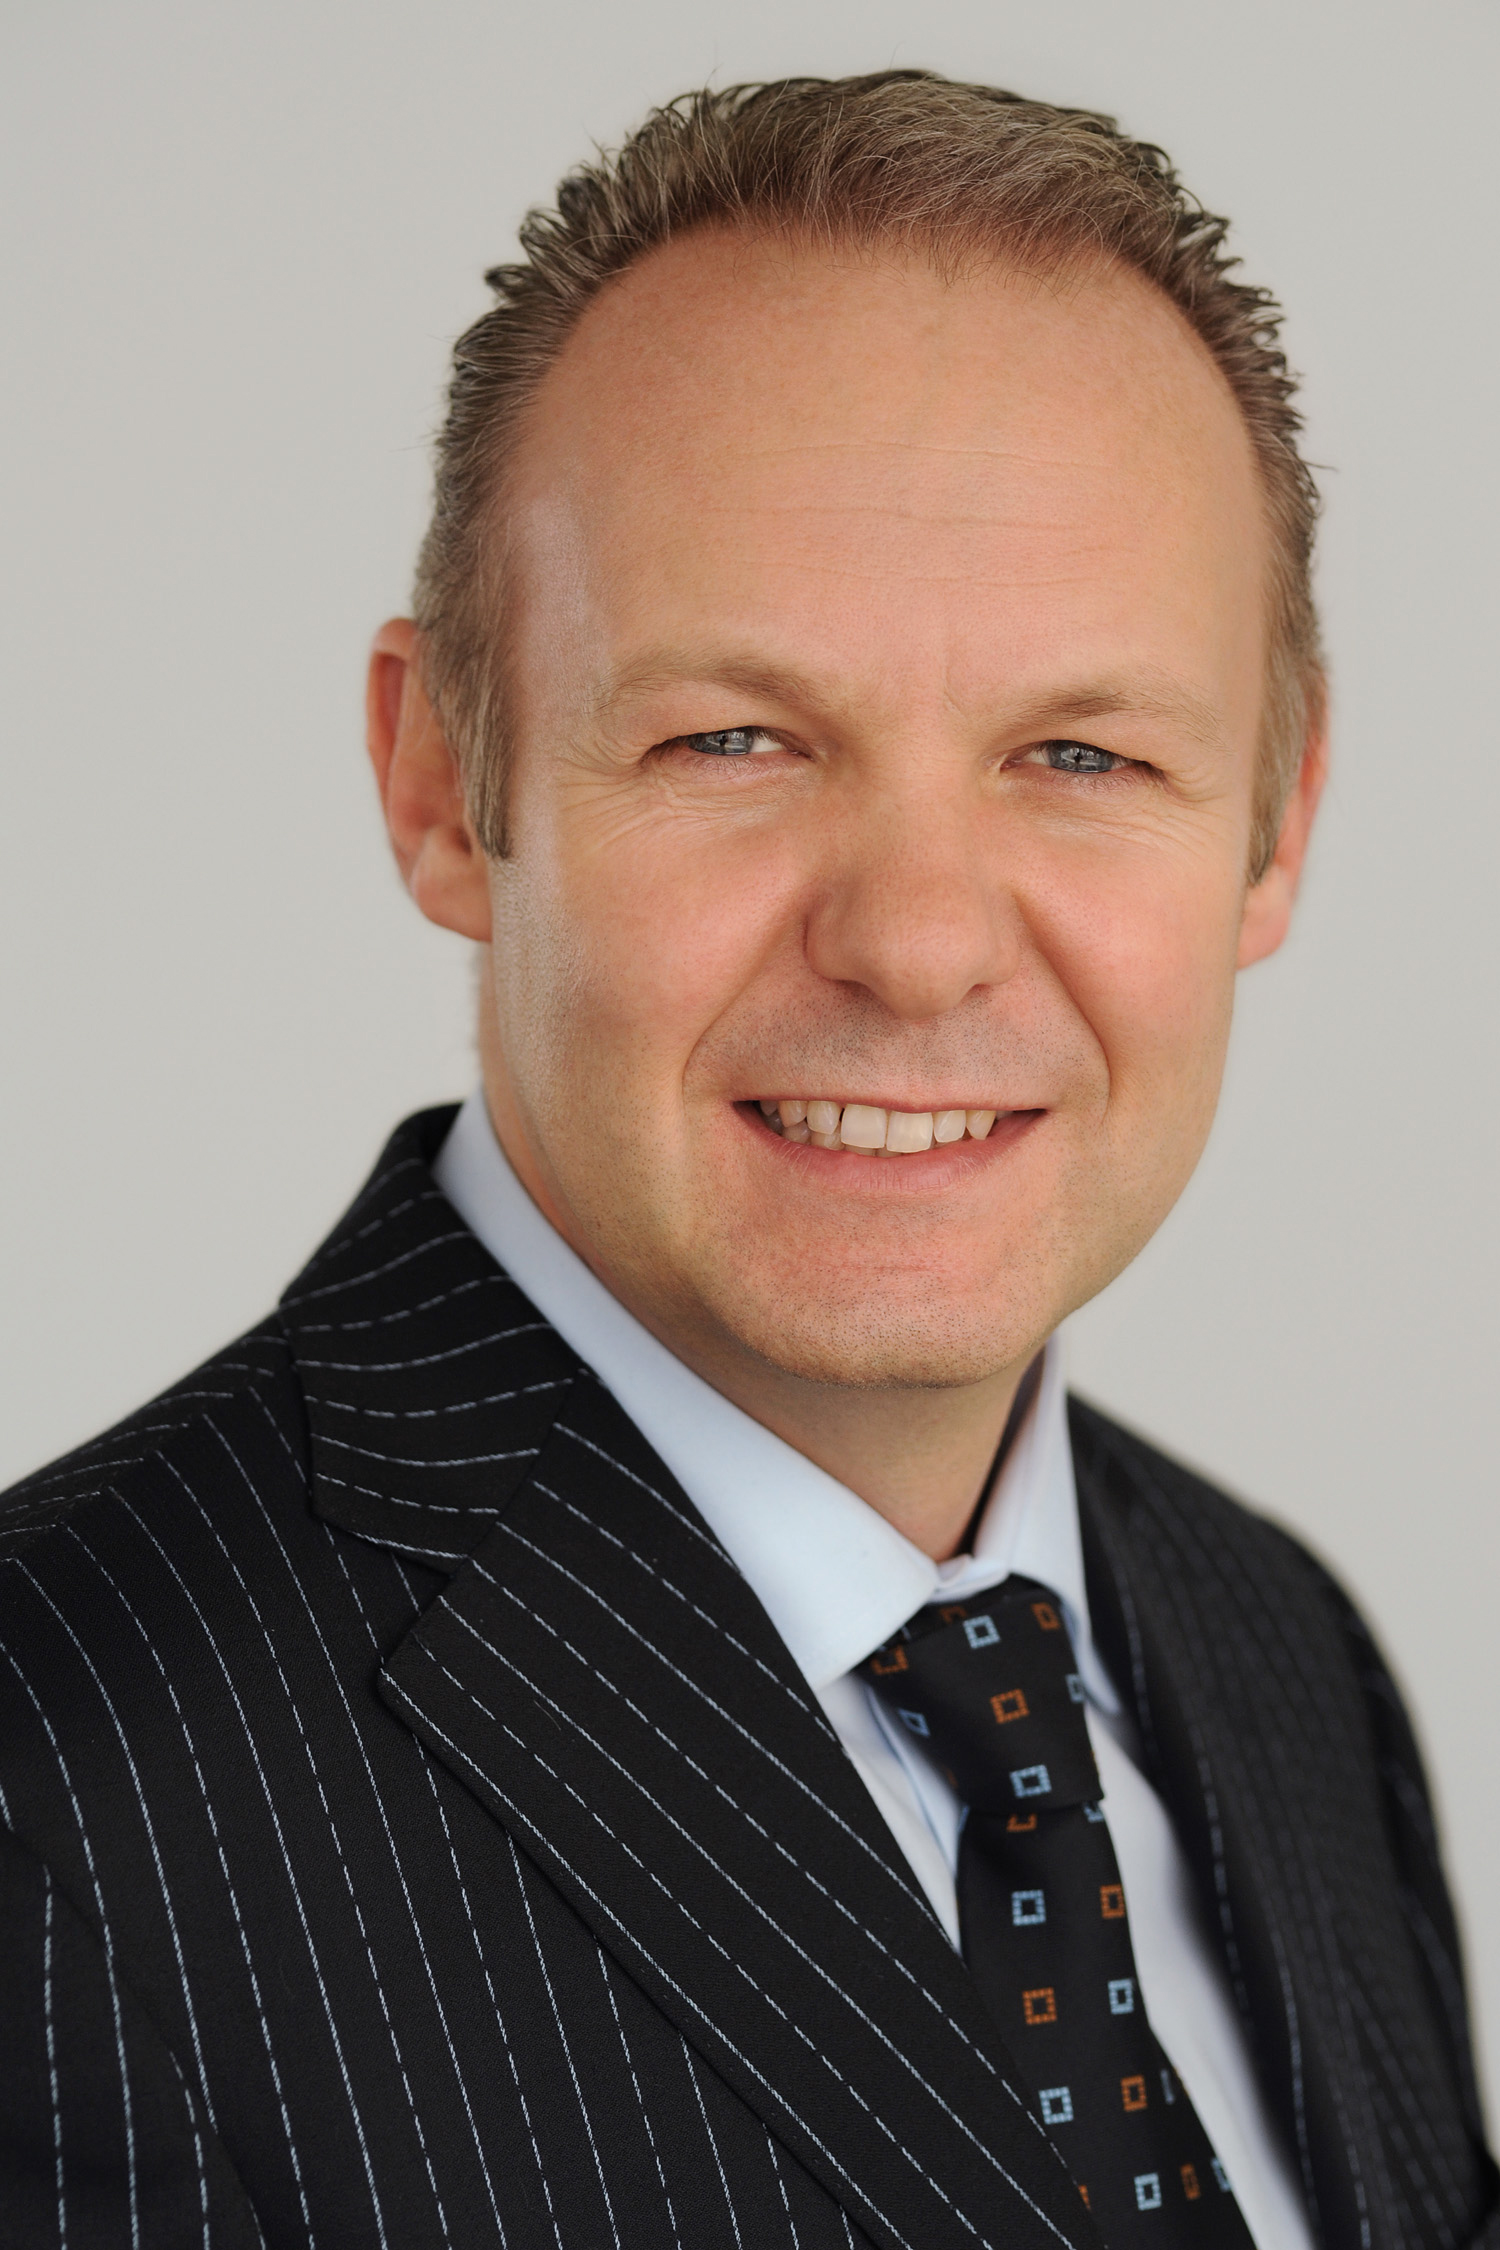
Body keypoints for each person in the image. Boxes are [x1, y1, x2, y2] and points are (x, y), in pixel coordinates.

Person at [0, 69, 1490, 2250]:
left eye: (1083, 754)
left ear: (1274, 824)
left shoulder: (1281, 1661)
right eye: (735, 738)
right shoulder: (61, 1802)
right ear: (441, 784)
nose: (917, 940)